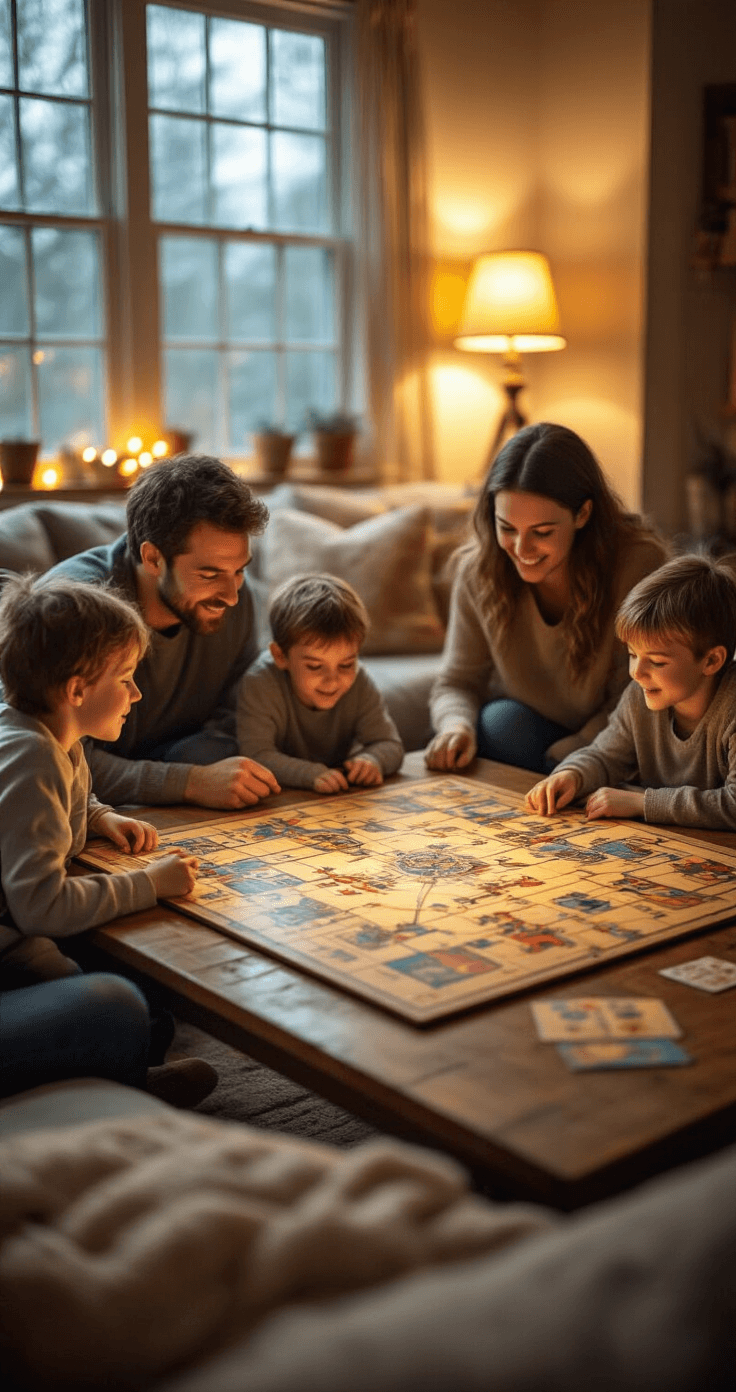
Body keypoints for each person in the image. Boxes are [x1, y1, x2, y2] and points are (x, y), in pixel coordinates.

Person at [0, 574, 215, 1106]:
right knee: (117, 1002)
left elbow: (57, 802)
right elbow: (41, 909)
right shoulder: (32, 757)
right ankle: (126, 1089)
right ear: (76, 690)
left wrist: (98, 817)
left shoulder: (50, 732)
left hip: (20, 950)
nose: (136, 693)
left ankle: (123, 1063)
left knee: (147, 979)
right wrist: (150, 883)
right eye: (125, 678)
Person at [425, 422, 667, 776]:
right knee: (499, 722)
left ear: (583, 514)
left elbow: (639, 695)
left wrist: (575, 754)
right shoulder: (477, 571)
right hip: (529, 732)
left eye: (542, 532)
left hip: (619, 734)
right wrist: (455, 726)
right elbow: (457, 681)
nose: (522, 550)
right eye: (506, 528)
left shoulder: (638, 563)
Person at [44, 453, 281, 810]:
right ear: (153, 558)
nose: (232, 596)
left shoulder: (236, 598)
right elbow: (48, 754)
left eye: (240, 570)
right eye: (210, 574)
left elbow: (240, 716)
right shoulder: (72, 611)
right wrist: (188, 781)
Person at [524, 553, 736, 829]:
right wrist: (572, 774)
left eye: (657, 661)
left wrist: (642, 803)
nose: (636, 672)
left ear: (711, 661)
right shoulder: (642, 693)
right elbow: (605, 755)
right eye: (632, 654)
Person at [236, 574, 404, 792]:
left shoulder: (360, 681)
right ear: (280, 656)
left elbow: (390, 745)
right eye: (315, 666)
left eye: (345, 665)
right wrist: (310, 774)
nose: (332, 680)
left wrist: (372, 760)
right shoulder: (260, 683)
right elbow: (256, 755)